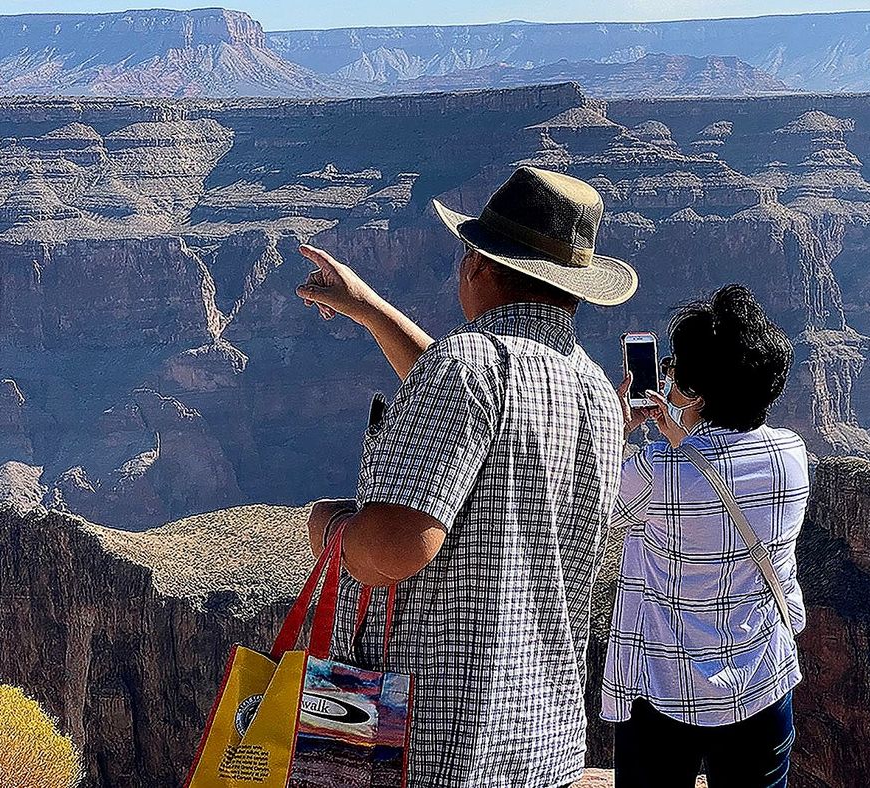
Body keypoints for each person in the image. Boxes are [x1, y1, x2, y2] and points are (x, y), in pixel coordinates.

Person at [294, 166, 637, 788]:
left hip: (425, 743)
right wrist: (370, 310)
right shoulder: (595, 394)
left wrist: (331, 525)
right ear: (572, 287)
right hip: (539, 739)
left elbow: (400, 546)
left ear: (477, 265)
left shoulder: (466, 367)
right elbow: (480, 406)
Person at [603, 285, 808, 788]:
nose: (667, 379)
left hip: (663, 696)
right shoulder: (792, 454)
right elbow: (715, 471)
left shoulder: (655, 472)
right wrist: (680, 436)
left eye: (673, 371)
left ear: (693, 391)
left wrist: (620, 428)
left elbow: (591, 508)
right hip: (761, 683)